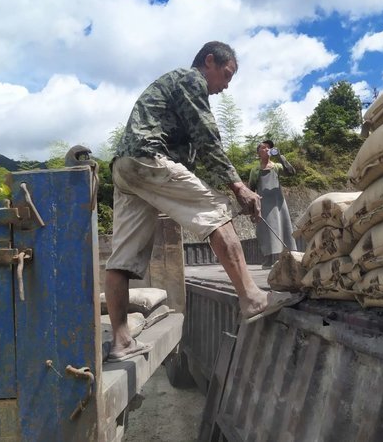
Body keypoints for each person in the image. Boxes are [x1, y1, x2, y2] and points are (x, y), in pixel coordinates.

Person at [104, 41, 303, 362]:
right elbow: (208, 137)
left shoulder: (173, 88)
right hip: (148, 159)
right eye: (226, 75)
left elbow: (193, 163)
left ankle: (122, 340)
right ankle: (252, 298)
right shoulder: (190, 79)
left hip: (126, 169)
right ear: (209, 61)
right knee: (216, 210)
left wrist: (219, 186)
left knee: (121, 260)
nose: (224, 87)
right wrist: (238, 188)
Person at [248, 140, 297, 269]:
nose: (267, 150)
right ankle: (267, 260)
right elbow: (250, 190)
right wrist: (253, 209)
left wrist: (281, 157)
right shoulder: (255, 170)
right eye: (263, 148)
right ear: (258, 153)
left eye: (268, 148)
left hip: (278, 203)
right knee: (265, 231)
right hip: (263, 204)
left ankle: (287, 259)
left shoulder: (276, 166)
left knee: (284, 229)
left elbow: (291, 172)